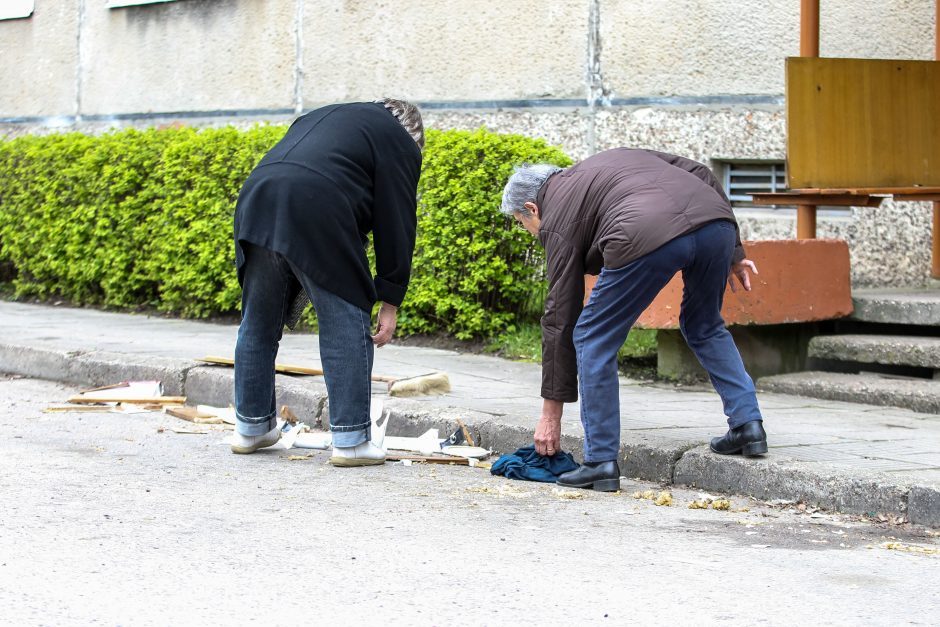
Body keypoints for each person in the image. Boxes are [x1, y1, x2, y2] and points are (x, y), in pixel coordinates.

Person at [500, 148, 767, 492]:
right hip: (716, 226)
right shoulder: (610, 162)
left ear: (532, 209)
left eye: (525, 226)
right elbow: (701, 172)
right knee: (704, 324)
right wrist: (734, 250)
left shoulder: (558, 218)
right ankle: (748, 425)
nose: (532, 234)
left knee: (593, 337)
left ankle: (600, 461)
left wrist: (550, 416)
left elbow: (560, 317)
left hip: (646, 231)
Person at [230, 99, 424, 466]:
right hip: (318, 204)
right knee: (344, 320)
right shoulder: (399, 139)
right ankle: (351, 441)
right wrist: (390, 299)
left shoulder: (330, 116)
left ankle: (251, 428)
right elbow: (396, 223)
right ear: (412, 131)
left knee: (258, 320)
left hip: (258, 197)